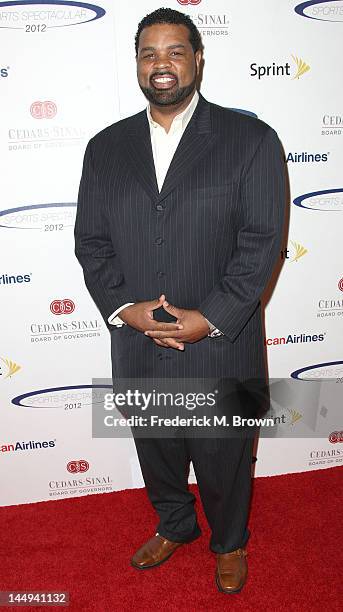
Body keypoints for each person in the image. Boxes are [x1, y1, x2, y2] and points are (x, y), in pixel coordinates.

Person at [74, 7, 285, 595]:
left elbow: (262, 241)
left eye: (173, 51)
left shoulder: (251, 139)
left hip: (224, 343)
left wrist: (211, 318)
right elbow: (91, 242)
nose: (160, 64)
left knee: (225, 456)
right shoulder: (105, 147)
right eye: (148, 53)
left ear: (197, 58)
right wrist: (124, 308)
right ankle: (175, 523)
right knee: (158, 447)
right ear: (137, 65)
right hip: (139, 341)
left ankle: (229, 542)